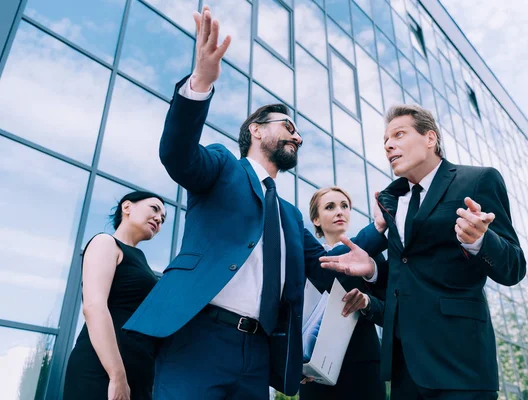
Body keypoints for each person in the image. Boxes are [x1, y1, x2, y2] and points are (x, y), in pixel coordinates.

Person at [122, 6, 386, 400]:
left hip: (258, 354)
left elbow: (328, 267)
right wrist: (199, 86)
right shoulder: (222, 166)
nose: (297, 138)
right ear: (256, 130)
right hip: (198, 339)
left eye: (299, 135)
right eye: (289, 128)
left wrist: (375, 242)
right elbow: (177, 154)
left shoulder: (291, 217)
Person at [320, 104, 527, 400]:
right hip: (405, 369)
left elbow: (514, 267)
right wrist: (374, 269)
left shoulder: (478, 180)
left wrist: (480, 240)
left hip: (461, 364)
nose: (389, 145)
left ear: (430, 138)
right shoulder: (393, 200)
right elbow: (408, 275)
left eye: (399, 134)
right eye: (385, 141)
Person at [64, 191, 167, 400]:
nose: (159, 218)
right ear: (127, 207)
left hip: (136, 376)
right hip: (102, 371)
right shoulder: (105, 243)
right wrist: (117, 376)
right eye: (154, 209)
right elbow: (93, 307)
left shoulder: (141, 260)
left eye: (163, 219)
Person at [300, 187, 386, 400]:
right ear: (316, 219)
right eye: (330, 207)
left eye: (344, 206)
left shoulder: (371, 256)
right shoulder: (304, 260)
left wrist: (367, 302)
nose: (340, 211)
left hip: (363, 366)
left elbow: (390, 311)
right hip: (313, 371)